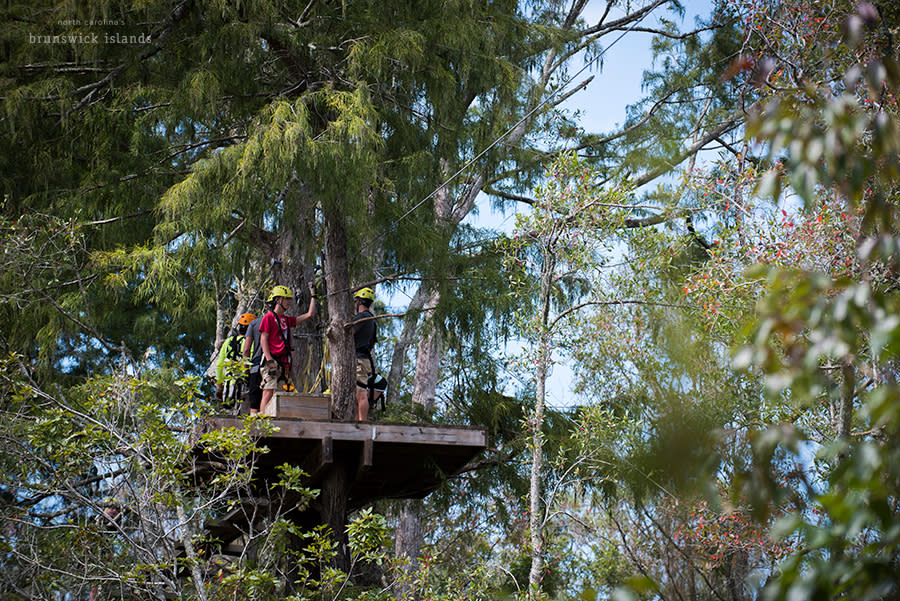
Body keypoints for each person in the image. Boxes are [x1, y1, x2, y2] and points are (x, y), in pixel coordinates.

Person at [259, 283, 316, 415]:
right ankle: (262, 423)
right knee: (268, 390)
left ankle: (276, 421)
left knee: (280, 393)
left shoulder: (286, 319)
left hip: (283, 362)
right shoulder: (269, 317)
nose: (290, 302)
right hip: (271, 359)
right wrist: (269, 360)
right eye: (287, 299)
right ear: (278, 300)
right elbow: (264, 339)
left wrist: (313, 295)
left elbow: (309, 315)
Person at [215, 312, 255, 410]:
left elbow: (219, 365)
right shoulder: (250, 343)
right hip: (244, 385)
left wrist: (219, 387)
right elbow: (251, 361)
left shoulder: (228, 342)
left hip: (228, 386)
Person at [350, 287, 377, 421]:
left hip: (359, 360)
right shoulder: (372, 319)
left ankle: (362, 422)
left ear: (359, 302)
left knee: (360, 394)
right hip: (365, 359)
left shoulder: (361, 318)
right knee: (357, 394)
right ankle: (357, 421)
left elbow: (350, 333)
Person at [242, 313, 264, 414]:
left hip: (255, 369)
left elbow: (246, 351)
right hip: (274, 368)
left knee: (254, 405)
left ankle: (254, 428)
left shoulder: (254, 324)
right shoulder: (283, 322)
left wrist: (245, 371)